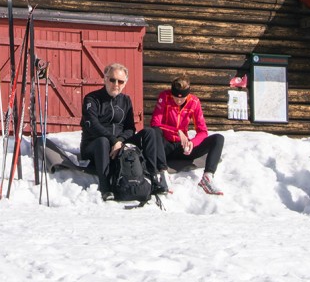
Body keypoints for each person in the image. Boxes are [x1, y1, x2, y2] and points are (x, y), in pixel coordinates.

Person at [80, 63, 168, 201]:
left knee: (150, 133)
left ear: (125, 83)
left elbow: (130, 128)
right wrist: (113, 140)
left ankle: (153, 179)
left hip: (119, 144)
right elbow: (92, 125)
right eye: (112, 79)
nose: (116, 84)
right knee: (103, 141)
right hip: (95, 145)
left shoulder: (126, 100)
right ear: (105, 79)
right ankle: (105, 188)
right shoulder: (92, 99)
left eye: (120, 81)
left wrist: (120, 141)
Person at [150, 75, 225, 195]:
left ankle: (207, 177)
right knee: (154, 132)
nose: (179, 101)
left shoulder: (194, 102)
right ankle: (163, 173)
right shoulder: (164, 97)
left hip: (182, 148)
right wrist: (177, 131)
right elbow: (155, 123)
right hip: (165, 147)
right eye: (176, 97)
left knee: (218, 138)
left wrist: (192, 143)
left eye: (182, 98)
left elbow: (202, 131)